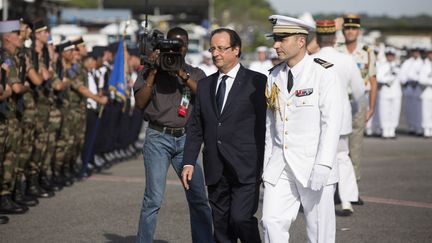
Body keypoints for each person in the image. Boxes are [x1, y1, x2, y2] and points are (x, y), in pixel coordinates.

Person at [261, 15, 343, 243]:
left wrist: (324, 164)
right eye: (275, 39)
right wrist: (267, 164)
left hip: (313, 164)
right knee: (270, 222)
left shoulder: (323, 72)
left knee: (319, 232)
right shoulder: (273, 76)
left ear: (300, 41)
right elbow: (270, 124)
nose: (275, 45)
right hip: (281, 165)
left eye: (281, 39)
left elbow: (331, 122)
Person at [181, 28, 266, 243]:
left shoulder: (257, 82)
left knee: (240, 219)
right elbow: (196, 126)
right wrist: (189, 161)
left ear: (236, 50)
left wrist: (267, 163)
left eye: (221, 48)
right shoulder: (204, 85)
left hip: (245, 166)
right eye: (213, 49)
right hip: (215, 167)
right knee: (220, 227)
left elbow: (266, 126)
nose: (215, 53)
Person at [134, 27, 213, 243]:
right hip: (158, 138)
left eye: (181, 45)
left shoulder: (194, 72)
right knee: (153, 199)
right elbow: (140, 102)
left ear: (186, 47)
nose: (177, 49)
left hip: (186, 140)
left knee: (198, 197)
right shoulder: (151, 70)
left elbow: (205, 95)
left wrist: (181, 73)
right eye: (173, 44)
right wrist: (151, 71)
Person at [311, 20, 364, 215]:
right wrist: (354, 108)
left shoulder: (311, 59)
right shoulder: (346, 59)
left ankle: (320, 201)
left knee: (320, 157)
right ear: (335, 38)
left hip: (318, 117)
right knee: (342, 157)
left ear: (317, 38)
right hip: (342, 117)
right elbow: (359, 91)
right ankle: (347, 200)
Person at [336, 14, 377, 184]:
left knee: (355, 146)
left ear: (358, 31)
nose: (350, 32)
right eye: (347, 28)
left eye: (353, 28)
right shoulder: (336, 49)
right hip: (339, 101)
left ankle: (353, 186)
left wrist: (371, 108)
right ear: (343, 30)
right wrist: (334, 24)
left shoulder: (367, 51)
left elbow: (373, 80)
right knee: (337, 145)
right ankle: (338, 187)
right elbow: (312, 48)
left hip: (359, 102)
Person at [376, 47, 402, 138]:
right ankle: (385, 130)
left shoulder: (398, 66)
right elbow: (379, 78)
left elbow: (402, 78)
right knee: (384, 112)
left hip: (396, 92)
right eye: (388, 55)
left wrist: (393, 75)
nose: (390, 57)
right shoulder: (382, 66)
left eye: (391, 55)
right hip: (385, 92)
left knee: (394, 112)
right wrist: (389, 79)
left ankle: (392, 130)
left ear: (394, 56)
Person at [399, 45, 424, 136]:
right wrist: (404, 82)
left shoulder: (423, 63)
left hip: (418, 87)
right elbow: (402, 75)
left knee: (419, 109)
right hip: (409, 87)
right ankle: (411, 127)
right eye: (413, 51)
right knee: (409, 109)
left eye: (417, 51)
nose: (415, 53)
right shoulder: (407, 62)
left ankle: (419, 127)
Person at [419, 48, 432, 137]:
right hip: (427, 92)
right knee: (426, 112)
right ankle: (426, 129)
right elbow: (421, 80)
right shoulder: (424, 65)